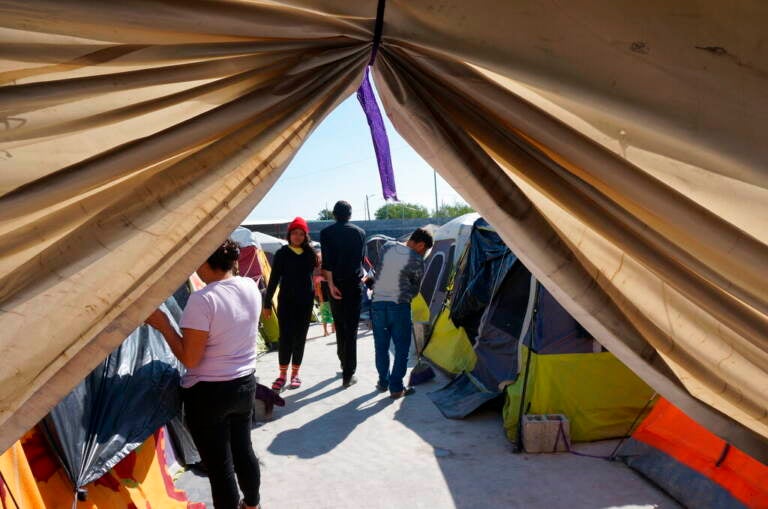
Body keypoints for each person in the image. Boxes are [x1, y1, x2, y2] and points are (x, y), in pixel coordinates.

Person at [146, 239, 261, 509]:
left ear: (206, 263)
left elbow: (190, 358)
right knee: (243, 451)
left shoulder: (203, 299)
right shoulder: (249, 287)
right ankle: (253, 505)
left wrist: (164, 325)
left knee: (220, 468)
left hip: (209, 394)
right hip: (244, 385)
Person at [369, 228, 433, 398]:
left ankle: (383, 382)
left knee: (381, 347)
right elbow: (415, 288)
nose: (424, 253)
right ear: (420, 245)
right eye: (425, 249)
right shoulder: (417, 259)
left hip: (377, 305)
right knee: (402, 348)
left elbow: (378, 269)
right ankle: (396, 387)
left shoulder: (386, 247)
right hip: (399, 306)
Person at [264, 217, 317, 392]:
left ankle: (295, 374)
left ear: (305, 236)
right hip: (286, 302)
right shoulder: (282, 254)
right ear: (289, 234)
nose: (297, 236)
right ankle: (282, 375)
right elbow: (273, 279)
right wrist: (267, 303)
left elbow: (317, 273)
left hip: (305, 303)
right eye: (295, 233)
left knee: (300, 338)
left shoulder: (310, 254)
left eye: (301, 234)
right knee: (285, 338)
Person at [320, 201, 366, 388]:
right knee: (352, 329)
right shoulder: (360, 232)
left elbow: (327, 263)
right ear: (350, 214)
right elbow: (361, 261)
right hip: (354, 285)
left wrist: (330, 285)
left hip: (335, 285)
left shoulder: (326, 233)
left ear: (334, 214)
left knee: (339, 325)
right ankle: (348, 372)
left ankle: (343, 361)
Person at [314, 253, 336, 337]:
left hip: (329, 297)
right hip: (324, 299)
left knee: (332, 313)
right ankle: (325, 331)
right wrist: (321, 299)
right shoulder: (319, 279)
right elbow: (319, 290)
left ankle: (333, 329)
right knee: (325, 315)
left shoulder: (327, 277)